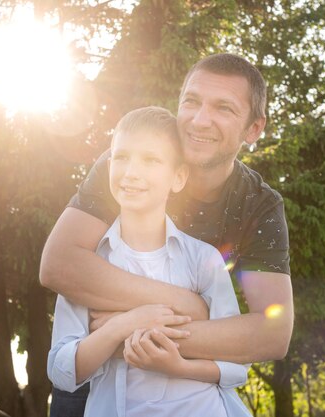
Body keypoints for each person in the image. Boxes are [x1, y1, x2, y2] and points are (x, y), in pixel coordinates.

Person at [41, 53, 294, 416]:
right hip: (94, 382)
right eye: (191, 101)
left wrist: (135, 334)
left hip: (185, 392)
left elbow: (272, 332)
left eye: (223, 108)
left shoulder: (259, 205)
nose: (199, 119)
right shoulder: (129, 166)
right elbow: (60, 264)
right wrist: (186, 305)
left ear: (253, 129)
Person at [48, 106, 251, 417]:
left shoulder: (202, 260)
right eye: (121, 157)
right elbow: (62, 371)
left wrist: (178, 365)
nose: (131, 172)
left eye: (151, 160)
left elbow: (237, 364)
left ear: (178, 177)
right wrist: (121, 326)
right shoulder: (88, 267)